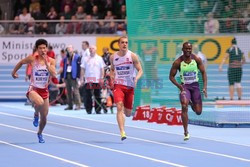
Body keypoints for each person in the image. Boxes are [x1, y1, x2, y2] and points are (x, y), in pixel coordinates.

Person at [11, 39, 56, 143]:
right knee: (39, 102)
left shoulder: (51, 60)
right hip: (33, 89)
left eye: (44, 48)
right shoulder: (32, 59)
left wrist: (47, 63)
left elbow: (54, 74)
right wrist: (13, 72)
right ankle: (36, 113)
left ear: (47, 49)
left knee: (44, 118)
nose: (42, 50)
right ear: (37, 49)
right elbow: (21, 62)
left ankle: (39, 133)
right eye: (40, 48)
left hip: (44, 91)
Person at [169, 42, 207, 141]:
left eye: (189, 49)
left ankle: (191, 103)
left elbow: (203, 72)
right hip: (184, 87)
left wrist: (205, 87)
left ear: (191, 49)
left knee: (198, 112)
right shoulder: (178, 62)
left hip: (195, 87)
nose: (188, 50)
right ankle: (186, 132)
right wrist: (179, 86)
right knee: (184, 105)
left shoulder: (197, 59)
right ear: (183, 49)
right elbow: (171, 76)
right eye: (186, 49)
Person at [110, 36, 143, 140]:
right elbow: (112, 69)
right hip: (118, 85)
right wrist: (112, 77)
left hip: (130, 86)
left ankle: (123, 112)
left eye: (126, 42)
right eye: (122, 42)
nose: (124, 44)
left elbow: (140, 70)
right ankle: (122, 132)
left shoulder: (132, 56)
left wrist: (136, 78)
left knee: (128, 113)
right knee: (119, 106)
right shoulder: (113, 57)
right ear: (118, 44)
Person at [80, 45, 105, 114]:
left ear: (96, 49)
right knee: (88, 95)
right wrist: (82, 78)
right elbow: (82, 69)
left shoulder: (99, 58)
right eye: (90, 48)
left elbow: (102, 69)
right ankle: (89, 109)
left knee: (97, 95)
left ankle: (98, 109)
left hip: (96, 79)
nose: (91, 50)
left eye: (93, 48)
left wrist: (102, 78)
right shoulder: (85, 59)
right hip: (88, 80)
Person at [62, 45, 82, 110]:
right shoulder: (66, 58)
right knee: (68, 91)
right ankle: (70, 105)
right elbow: (64, 67)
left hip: (74, 75)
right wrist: (63, 76)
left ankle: (78, 105)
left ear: (73, 49)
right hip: (67, 74)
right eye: (67, 48)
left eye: (70, 48)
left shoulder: (77, 57)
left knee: (76, 91)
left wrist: (78, 76)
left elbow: (79, 67)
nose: (69, 49)